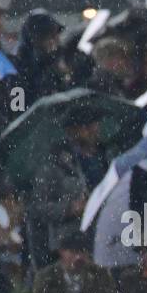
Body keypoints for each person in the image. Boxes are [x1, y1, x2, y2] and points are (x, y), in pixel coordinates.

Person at [28, 105, 108, 267]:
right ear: (73, 131)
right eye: (86, 126)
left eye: (95, 124)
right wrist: (71, 208)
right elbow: (38, 208)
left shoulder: (106, 156)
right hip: (70, 246)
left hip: (103, 238)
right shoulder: (54, 163)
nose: (93, 130)